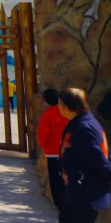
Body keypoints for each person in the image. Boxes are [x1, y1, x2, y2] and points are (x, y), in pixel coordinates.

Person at [57, 88, 111, 223]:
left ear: (66, 106)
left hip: (85, 193)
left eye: (59, 103)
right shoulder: (81, 122)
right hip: (79, 193)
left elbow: (99, 160)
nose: (58, 107)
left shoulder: (84, 128)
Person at [38, 88, 68, 209]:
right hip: (68, 151)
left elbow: (43, 134)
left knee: (56, 179)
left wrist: (45, 145)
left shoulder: (48, 113)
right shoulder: (67, 111)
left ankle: (60, 204)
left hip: (53, 151)